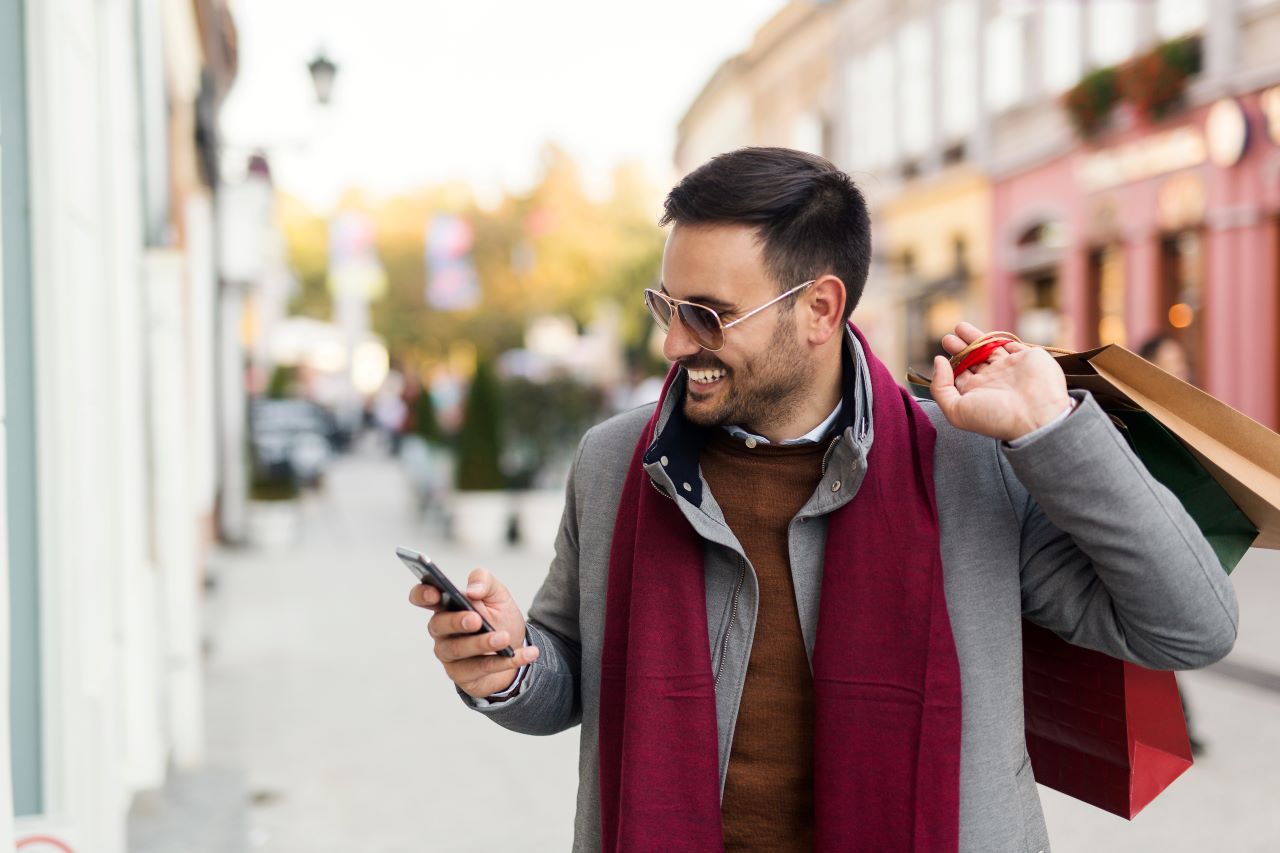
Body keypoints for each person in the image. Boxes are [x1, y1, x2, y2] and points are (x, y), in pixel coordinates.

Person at [409, 149, 1238, 852]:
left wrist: (1054, 432)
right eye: (667, 307)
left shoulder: (968, 461)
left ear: (819, 308)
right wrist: (508, 664)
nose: (671, 343)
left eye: (707, 315)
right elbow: (566, 680)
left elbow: (1189, 625)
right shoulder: (614, 462)